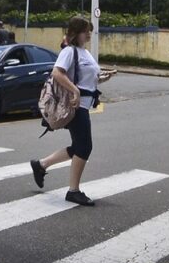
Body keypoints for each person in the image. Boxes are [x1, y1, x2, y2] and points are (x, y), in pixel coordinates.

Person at [30, 16, 110, 207]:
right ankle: (73, 191)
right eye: (85, 31)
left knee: (78, 147)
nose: (89, 33)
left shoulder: (85, 53)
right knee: (85, 147)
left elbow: (87, 79)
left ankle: (41, 165)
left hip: (84, 104)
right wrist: (74, 89)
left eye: (89, 30)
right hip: (76, 106)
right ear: (76, 33)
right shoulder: (69, 51)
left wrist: (103, 78)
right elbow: (57, 73)